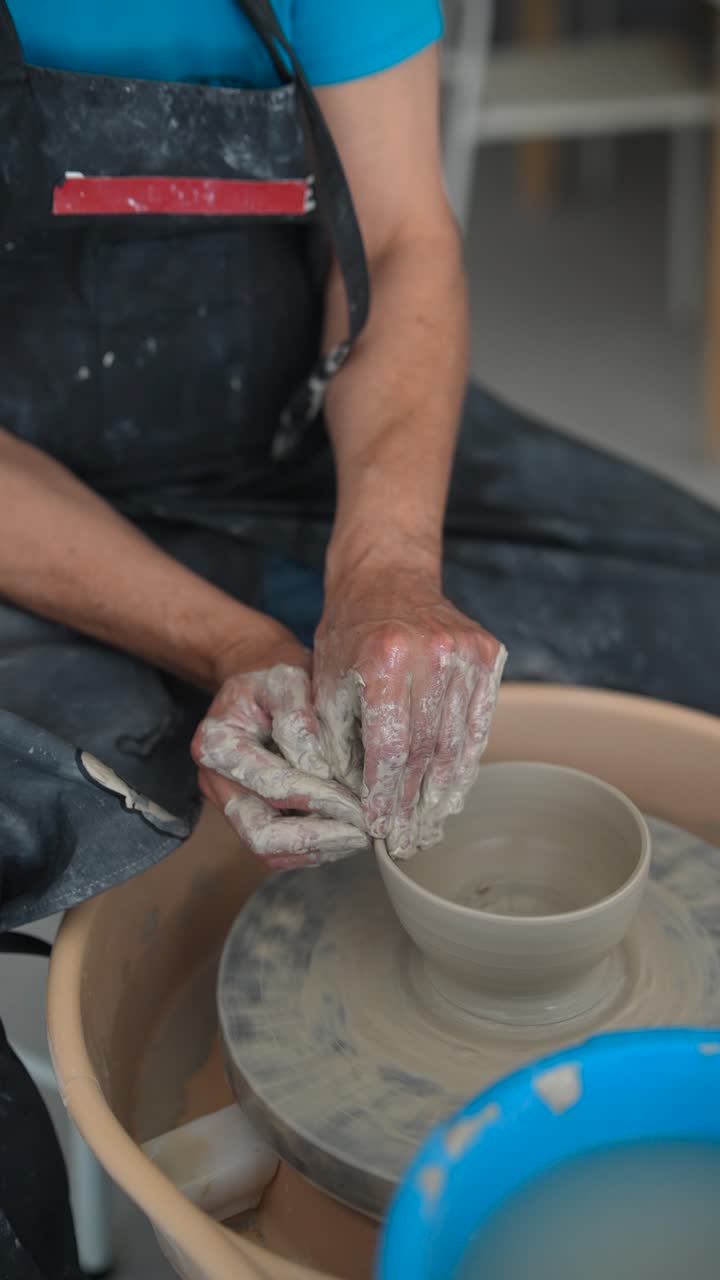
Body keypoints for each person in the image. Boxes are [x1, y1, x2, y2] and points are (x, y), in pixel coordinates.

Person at [1, 0, 719, 1273]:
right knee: (54, 816)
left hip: (305, 431)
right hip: (30, 510)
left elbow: (403, 243)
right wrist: (231, 643)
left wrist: (386, 571)